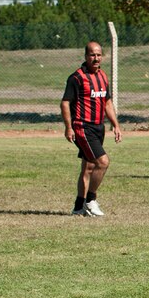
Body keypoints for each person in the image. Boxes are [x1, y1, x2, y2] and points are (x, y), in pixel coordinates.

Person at [61, 41, 122, 217]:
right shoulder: (77, 78)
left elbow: (107, 102)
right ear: (86, 56)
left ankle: (78, 207)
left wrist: (116, 125)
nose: (96, 59)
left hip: (98, 127)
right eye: (92, 55)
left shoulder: (103, 76)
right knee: (102, 162)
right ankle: (90, 200)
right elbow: (65, 103)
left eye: (99, 55)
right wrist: (68, 127)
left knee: (88, 167)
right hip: (83, 126)